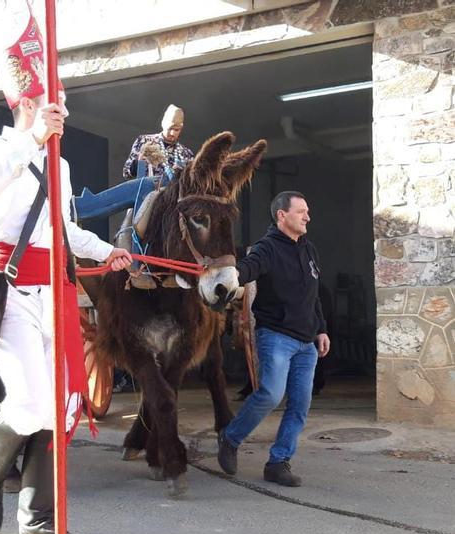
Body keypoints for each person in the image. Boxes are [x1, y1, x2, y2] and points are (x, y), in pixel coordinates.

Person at [0, 6, 131, 534]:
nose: (65, 108)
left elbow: (63, 231)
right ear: (30, 102)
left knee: (60, 406)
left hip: (53, 291)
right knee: (32, 404)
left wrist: (111, 253)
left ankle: (37, 521)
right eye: (56, 99)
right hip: (8, 293)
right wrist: (33, 139)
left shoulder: (58, 165)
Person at [217, 191, 330, 487]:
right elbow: (248, 268)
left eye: (307, 211)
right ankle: (230, 438)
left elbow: (313, 295)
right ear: (282, 215)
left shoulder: (309, 250)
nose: (308, 217)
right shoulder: (266, 248)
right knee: (270, 394)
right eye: (301, 211)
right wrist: (231, 275)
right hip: (277, 336)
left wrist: (321, 329)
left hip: (307, 343)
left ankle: (278, 462)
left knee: (300, 405)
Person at [122, 104, 194, 179]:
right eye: (170, 128)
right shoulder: (144, 141)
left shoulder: (186, 154)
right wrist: (138, 163)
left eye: (176, 130)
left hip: (174, 190)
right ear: (164, 125)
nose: (172, 133)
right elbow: (126, 173)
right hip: (147, 189)